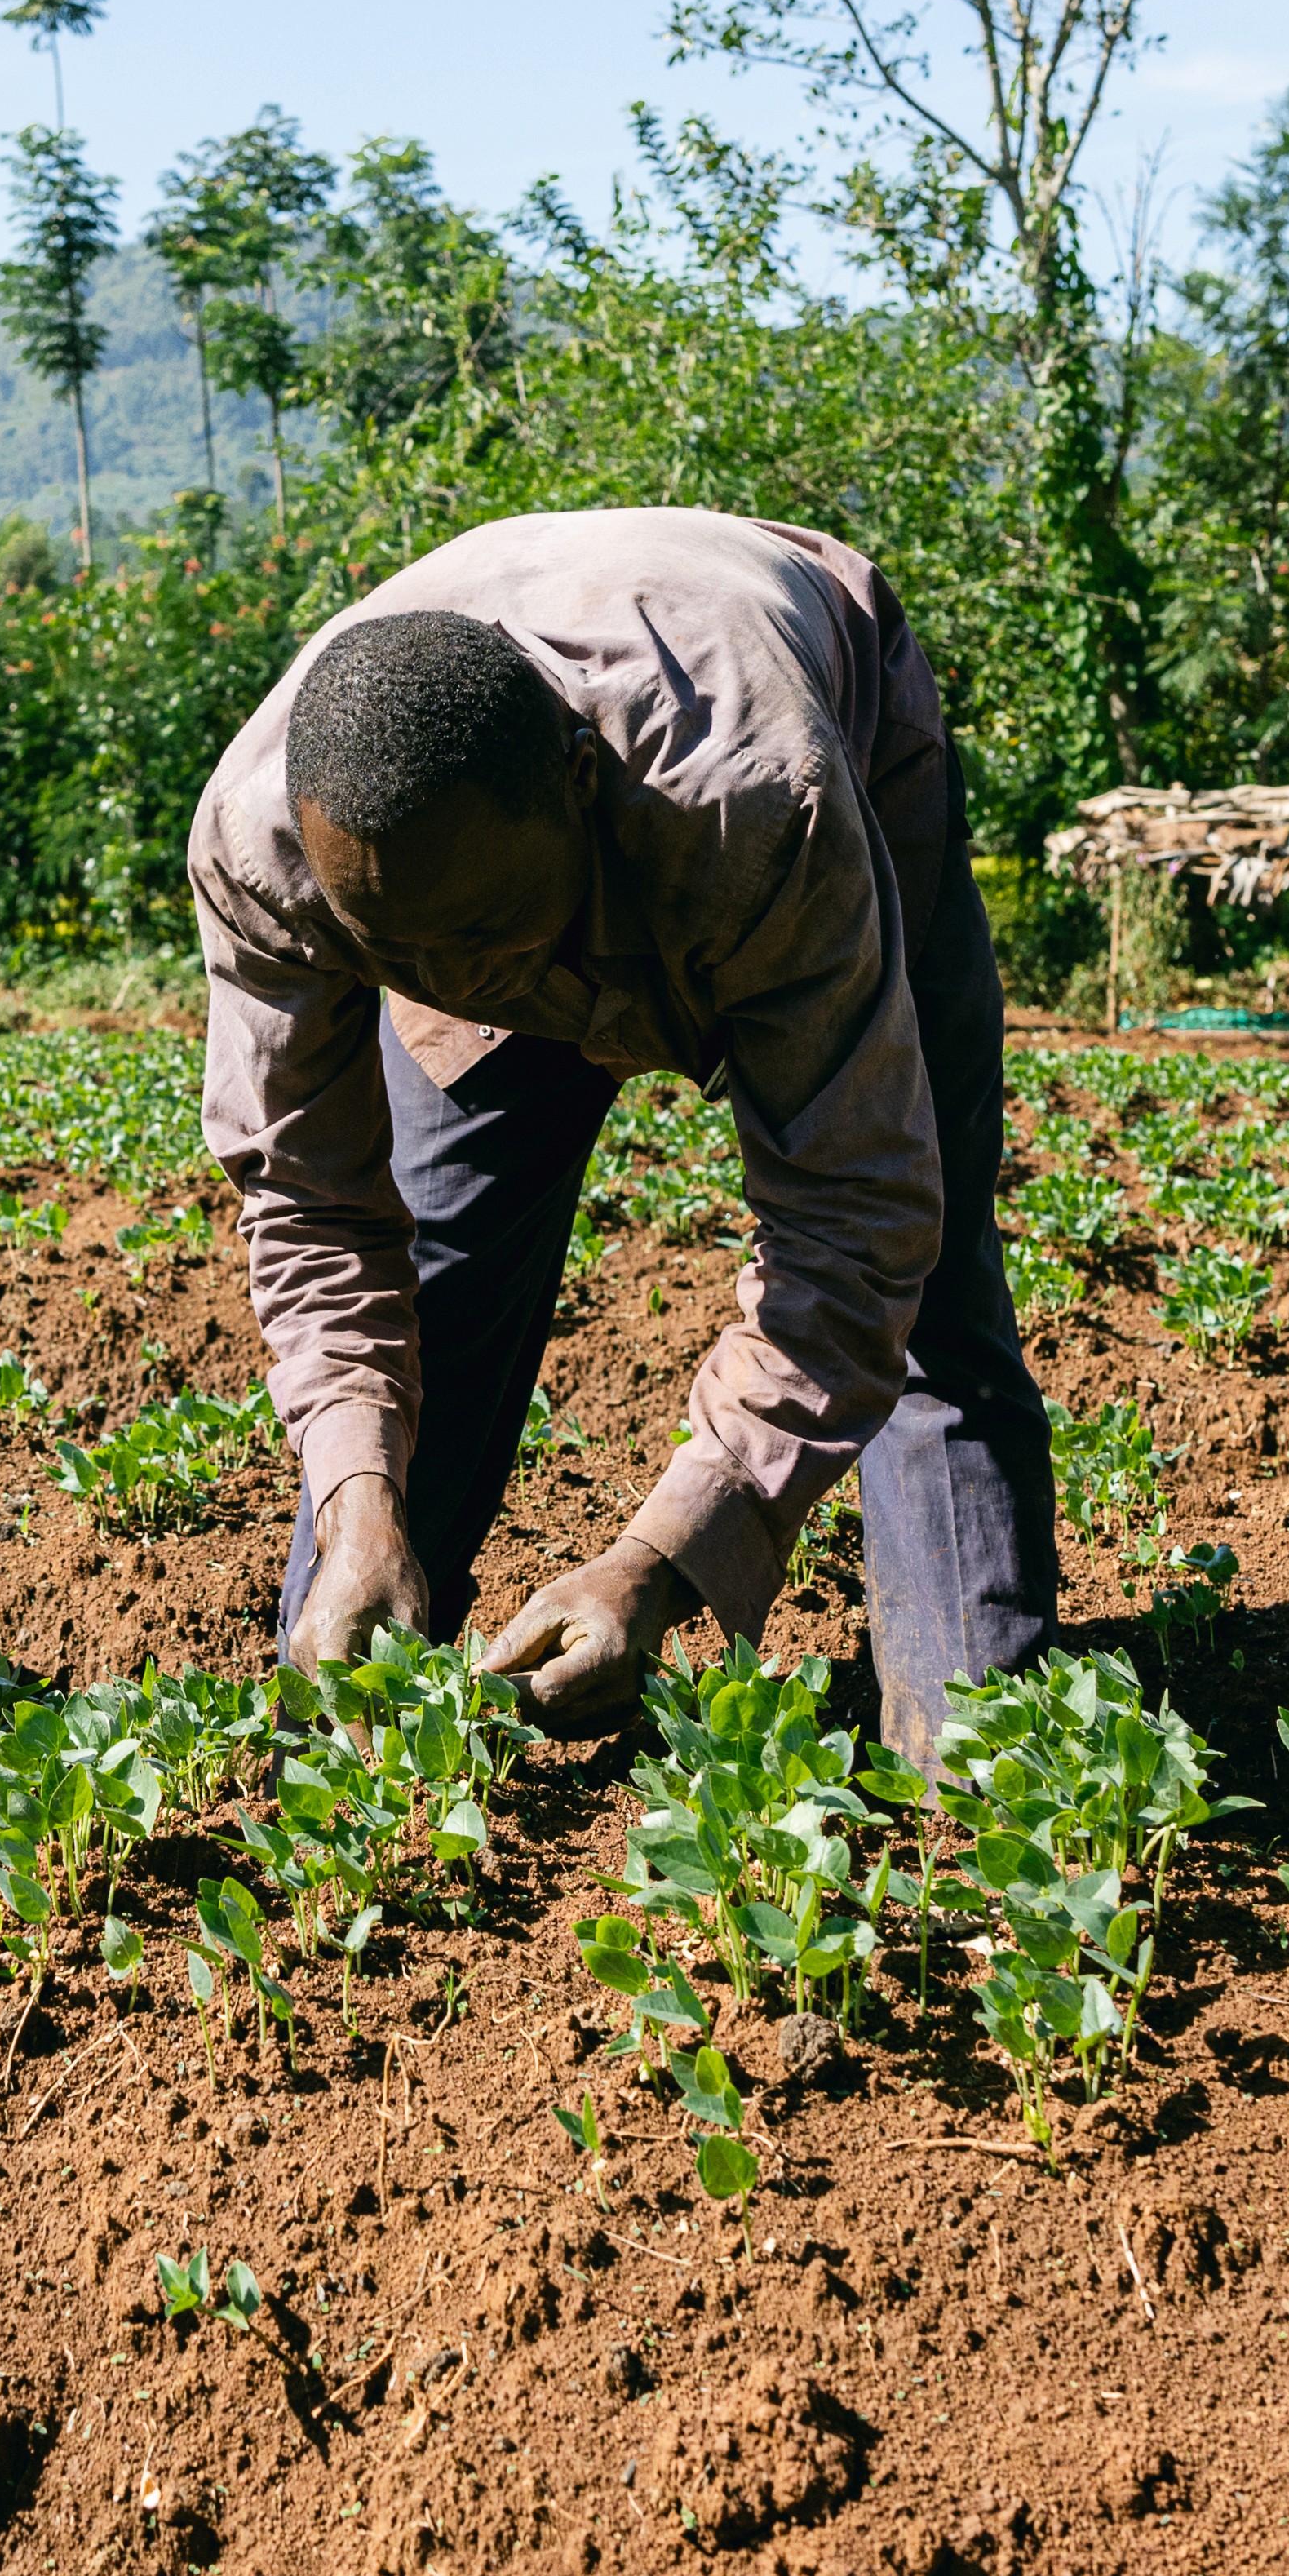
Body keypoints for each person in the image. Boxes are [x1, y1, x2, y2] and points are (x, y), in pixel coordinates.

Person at [188, 508, 1056, 1758]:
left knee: (931, 1290)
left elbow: (857, 1216)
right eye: (400, 958)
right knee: (440, 1278)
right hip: (495, 838)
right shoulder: (271, 851)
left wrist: (658, 1561)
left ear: (581, 788)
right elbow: (312, 1206)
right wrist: (358, 1502)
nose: (453, 983)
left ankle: (972, 1732)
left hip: (828, 733)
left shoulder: (763, 802)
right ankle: (361, 1705)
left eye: (481, 946)